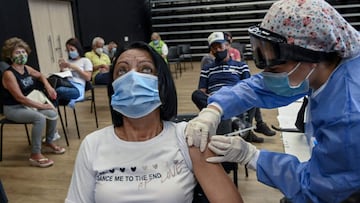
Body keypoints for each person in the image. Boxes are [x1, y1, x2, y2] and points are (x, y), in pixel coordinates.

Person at [185, 0, 360, 202]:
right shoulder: (328, 66)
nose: (266, 75)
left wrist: (253, 157)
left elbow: (319, 189)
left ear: (311, 57)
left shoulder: (348, 118)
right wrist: (215, 108)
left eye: (275, 68)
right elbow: (260, 86)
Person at [65, 41, 243, 203]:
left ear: (162, 83)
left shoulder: (187, 138)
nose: (132, 78)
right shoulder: (93, 144)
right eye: (122, 70)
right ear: (113, 86)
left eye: (146, 69)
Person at [192, 31, 272, 143]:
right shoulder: (207, 68)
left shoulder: (241, 66)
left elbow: (248, 86)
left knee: (252, 92)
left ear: (227, 45)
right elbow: (201, 91)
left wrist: (231, 94)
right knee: (196, 95)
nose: (218, 50)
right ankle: (238, 123)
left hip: (234, 97)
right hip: (215, 99)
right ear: (211, 51)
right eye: (214, 48)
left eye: (220, 46)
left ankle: (245, 127)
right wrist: (212, 97)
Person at [1, 37, 66, 168]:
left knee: (52, 112)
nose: (22, 55)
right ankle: (35, 154)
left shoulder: (26, 68)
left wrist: (48, 86)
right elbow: (20, 98)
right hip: (14, 108)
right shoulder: (9, 74)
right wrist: (42, 105)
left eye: (23, 52)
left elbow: (40, 75)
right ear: (10, 55)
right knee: (40, 118)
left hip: (29, 104)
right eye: (17, 53)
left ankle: (49, 141)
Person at [56, 38, 93, 108]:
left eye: (72, 50)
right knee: (51, 90)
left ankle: (50, 110)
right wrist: (61, 69)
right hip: (67, 84)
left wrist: (74, 68)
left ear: (78, 49)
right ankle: (49, 110)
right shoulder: (68, 61)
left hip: (77, 88)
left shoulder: (85, 61)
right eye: (68, 50)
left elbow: (88, 77)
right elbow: (63, 77)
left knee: (58, 91)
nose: (70, 52)